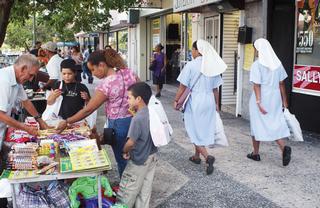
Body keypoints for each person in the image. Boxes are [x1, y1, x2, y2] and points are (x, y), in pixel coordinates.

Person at [56, 49, 139, 177]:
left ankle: (127, 188)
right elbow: (142, 91)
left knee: (122, 157)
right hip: (135, 120)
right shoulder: (129, 73)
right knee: (133, 154)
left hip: (118, 125)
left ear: (102, 65)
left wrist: (67, 121)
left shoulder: (106, 84)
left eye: (93, 70)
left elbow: (88, 109)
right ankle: (135, 182)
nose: (93, 74)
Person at [173, 40, 227, 175]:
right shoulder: (211, 66)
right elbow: (216, 89)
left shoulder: (191, 66)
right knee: (200, 129)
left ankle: (207, 157)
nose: (192, 52)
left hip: (195, 101)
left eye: (193, 49)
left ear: (198, 50)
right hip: (209, 100)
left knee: (192, 129)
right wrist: (216, 104)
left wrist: (176, 100)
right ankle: (196, 157)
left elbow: (182, 87)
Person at [247, 38, 292, 166]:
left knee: (256, 124)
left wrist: (258, 102)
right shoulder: (277, 63)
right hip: (275, 97)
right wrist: (285, 101)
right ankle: (284, 148)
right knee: (272, 123)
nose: (255, 50)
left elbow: (256, 85)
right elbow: (282, 84)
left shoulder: (257, 65)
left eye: (255, 48)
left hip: (262, 97)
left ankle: (255, 153)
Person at [116, 82, 157, 208]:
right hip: (152, 155)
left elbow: (131, 142)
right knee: (145, 190)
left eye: (129, 97)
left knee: (127, 191)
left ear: (138, 99)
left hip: (139, 159)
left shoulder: (137, 119)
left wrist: (124, 151)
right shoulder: (152, 112)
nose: (127, 100)